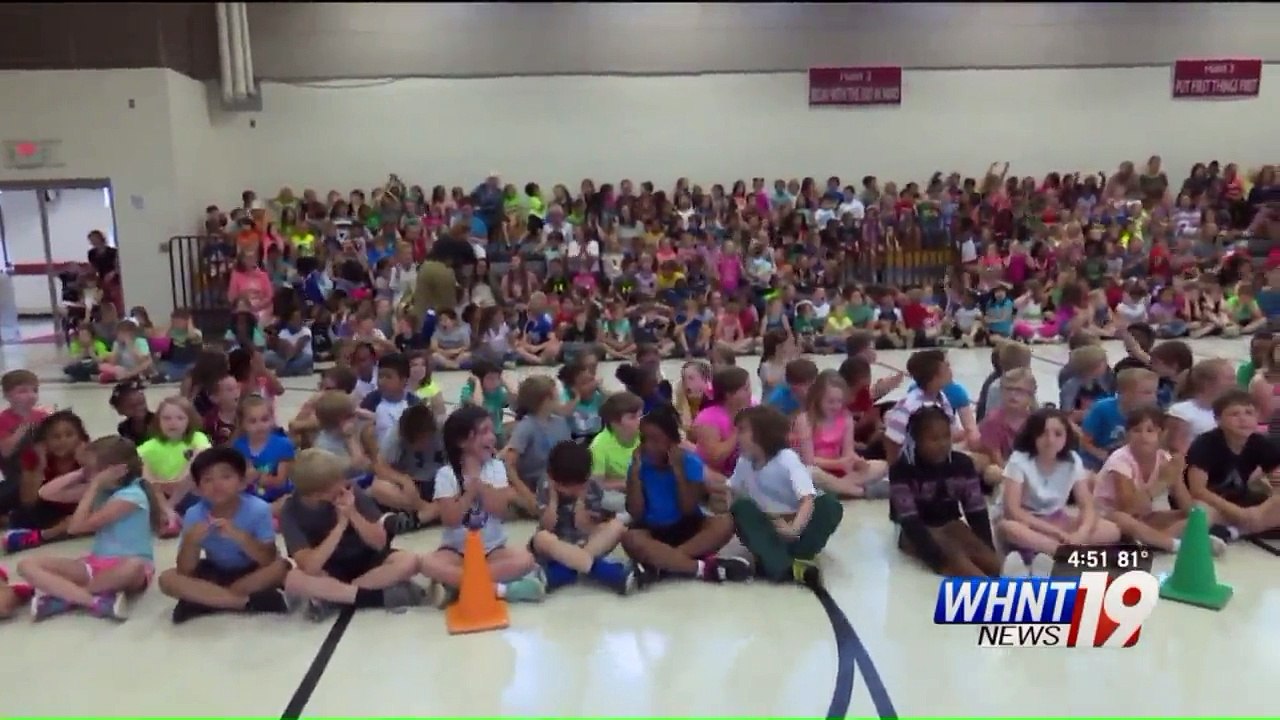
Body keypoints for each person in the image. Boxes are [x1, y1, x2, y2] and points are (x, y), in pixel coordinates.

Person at [17, 437, 162, 621]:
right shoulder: (101, 488)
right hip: (95, 564)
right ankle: (92, 601)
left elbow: (76, 528)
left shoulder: (131, 496)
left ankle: (66, 597)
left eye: (91, 469)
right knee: (26, 565)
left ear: (115, 470)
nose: (88, 474)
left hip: (128, 569)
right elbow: (46, 493)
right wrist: (81, 473)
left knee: (134, 566)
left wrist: (93, 485)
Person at [419, 406, 546, 606]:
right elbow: (451, 520)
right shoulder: (446, 474)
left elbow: (500, 510)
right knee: (426, 564)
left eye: (491, 431)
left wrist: (479, 484)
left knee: (526, 560)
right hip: (456, 551)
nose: (492, 437)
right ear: (462, 442)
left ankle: (459, 584)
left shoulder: (496, 468)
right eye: (484, 432)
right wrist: (469, 492)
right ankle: (501, 589)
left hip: (492, 550)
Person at [279, 448, 425, 621]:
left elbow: (379, 543)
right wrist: (340, 526)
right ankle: (376, 597)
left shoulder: (351, 490)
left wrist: (352, 513)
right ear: (319, 494)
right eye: (337, 481)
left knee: (409, 561)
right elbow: (310, 566)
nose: (344, 482)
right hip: (329, 569)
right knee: (293, 579)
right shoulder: (290, 511)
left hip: (368, 561)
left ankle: (335, 598)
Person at [157, 446, 291, 623]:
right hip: (214, 571)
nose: (217, 485)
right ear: (197, 489)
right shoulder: (194, 514)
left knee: (281, 567)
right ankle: (242, 602)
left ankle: (208, 601)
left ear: (242, 482)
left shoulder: (258, 509)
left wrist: (240, 537)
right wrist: (191, 542)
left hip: (251, 571)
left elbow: (267, 559)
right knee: (167, 579)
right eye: (207, 480)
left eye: (226, 477)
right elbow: (185, 569)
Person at [620, 405, 750, 585]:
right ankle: (702, 569)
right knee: (630, 539)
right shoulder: (638, 464)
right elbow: (636, 512)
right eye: (644, 439)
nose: (648, 446)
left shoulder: (689, 461)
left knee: (725, 523)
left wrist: (678, 472)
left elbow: (688, 508)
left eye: (656, 440)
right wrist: (634, 475)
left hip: (686, 527)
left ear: (672, 442)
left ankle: (664, 562)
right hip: (652, 529)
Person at [996, 408, 1121, 576]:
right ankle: (1068, 555)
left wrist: (1082, 533)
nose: (1050, 440)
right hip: (1027, 522)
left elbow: (1087, 505)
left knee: (1112, 530)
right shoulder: (1019, 459)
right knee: (1009, 528)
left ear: (1066, 437)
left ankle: (1051, 553)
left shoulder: (1072, 460)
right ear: (1033, 436)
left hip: (1056, 519)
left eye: (1057, 434)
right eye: (1043, 433)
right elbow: (1013, 510)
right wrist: (1056, 533)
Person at [729, 406, 844, 585]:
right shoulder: (744, 461)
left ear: (761, 433)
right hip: (768, 525)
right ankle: (788, 566)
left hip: (795, 524)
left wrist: (794, 529)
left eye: (742, 430)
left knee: (829, 504)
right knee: (741, 508)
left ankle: (780, 561)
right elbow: (732, 490)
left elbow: (807, 499)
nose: (737, 437)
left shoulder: (786, 458)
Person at [1094, 407, 1224, 556]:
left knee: (1204, 512)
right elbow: (1128, 508)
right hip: (1110, 518)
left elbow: (1185, 503)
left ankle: (1155, 542)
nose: (1143, 436)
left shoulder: (1164, 458)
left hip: (1143, 518)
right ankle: (1176, 544)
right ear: (1127, 435)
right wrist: (1161, 483)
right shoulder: (1120, 459)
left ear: (1161, 434)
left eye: (1150, 431)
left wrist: (1197, 519)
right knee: (1122, 518)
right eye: (1136, 431)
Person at [888, 406, 1001, 576]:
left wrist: (986, 548)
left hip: (951, 524)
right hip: (914, 532)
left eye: (946, 437)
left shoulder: (962, 464)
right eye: (933, 439)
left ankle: (1015, 582)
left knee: (990, 561)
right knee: (957, 557)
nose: (942, 444)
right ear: (916, 441)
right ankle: (987, 589)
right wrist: (939, 561)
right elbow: (910, 521)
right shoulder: (902, 469)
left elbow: (976, 511)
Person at [531, 441, 634, 594]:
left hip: (586, 543)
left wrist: (580, 501)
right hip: (557, 546)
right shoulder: (545, 485)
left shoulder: (592, 487)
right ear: (553, 478)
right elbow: (547, 526)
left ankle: (565, 570)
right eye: (563, 486)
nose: (568, 491)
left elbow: (584, 526)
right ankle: (602, 571)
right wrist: (553, 500)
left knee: (617, 527)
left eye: (576, 486)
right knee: (541, 538)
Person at [1184, 390, 1280, 539]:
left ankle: (1234, 532)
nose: (1243, 419)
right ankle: (1244, 526)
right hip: (1208, 502)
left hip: (1239, 499)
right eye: (1234, 414)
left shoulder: (1260, 442)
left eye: (1249, 413)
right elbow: (1198, 490)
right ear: (1218, 420)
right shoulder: (1205, 444)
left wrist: (1261, 511)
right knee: (1202, 512)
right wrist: (1239, 513)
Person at [1, 411, 91, 553]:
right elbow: (28, 501)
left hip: (74, 510)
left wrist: (84, 462)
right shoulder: (35, 456)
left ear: (81, 439)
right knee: (19, 506)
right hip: (44, 505)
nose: (62, 441)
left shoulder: (90, 454)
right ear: (44, 442)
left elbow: (97, 493)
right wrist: (40, 467)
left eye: (69, 435)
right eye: (55, 437)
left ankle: (41, 533)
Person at [791, 370, 889, 498]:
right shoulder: (805, 420)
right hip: (816, 468)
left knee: (882, 465)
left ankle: (838, 488)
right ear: (818, 398)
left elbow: (848, 452)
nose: (836, 406)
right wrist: (839, 463)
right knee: (810, 472)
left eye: (839, 401)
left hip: (838, 469)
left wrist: (856, 461)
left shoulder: (846, 417)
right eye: (830, 401)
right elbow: (808, 460)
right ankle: (857, 491)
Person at [139, 397, 213, 535]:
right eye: (166, 418)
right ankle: (169, 514)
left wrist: (179, 481)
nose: (173, 423)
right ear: (158, 421)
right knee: (146, 474)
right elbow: (145, 474)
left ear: (189, 420)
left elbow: (201, 456)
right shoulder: (150, 445)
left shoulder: (197, 438)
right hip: (161, 492)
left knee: (196, 467)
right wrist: (158, 483)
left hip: (189, 491)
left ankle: (168, 512)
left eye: (180, 418)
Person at [502, 375, 573, 516]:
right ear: (545, 401)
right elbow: (509, 465)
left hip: (558, 479)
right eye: (556, 395)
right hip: (535, 483)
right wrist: (527, 494)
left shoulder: (561, 423)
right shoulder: (526, 427)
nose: (559, 399)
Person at [370, 404, 444, 534]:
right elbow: (379, 467)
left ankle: (422, 517)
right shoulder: (394, 435)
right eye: (411, 441)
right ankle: (431, 513)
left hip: (441, 484)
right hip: (412, 489)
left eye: (421, 440)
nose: (417, 445)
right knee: (377, 487)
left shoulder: (446, 429)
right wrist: (403, 479)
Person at [231, 396, 296, 514]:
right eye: (252, 421)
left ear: (272, 419)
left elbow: (281, 482)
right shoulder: (239, 445)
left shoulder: (283, 444)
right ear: (243, 424)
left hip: (278, 496)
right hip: (250, 498)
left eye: (264, 419)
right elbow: (241, 478)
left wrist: (257, 476)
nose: (260, 425)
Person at [588, 392, 644, 515]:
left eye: (641, 415)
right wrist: (627, 484)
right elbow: (597, 484)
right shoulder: (599, 446)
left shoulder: (646, 434)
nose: (640, 421)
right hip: (619, 492)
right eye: (633, 417)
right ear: (615, 423)